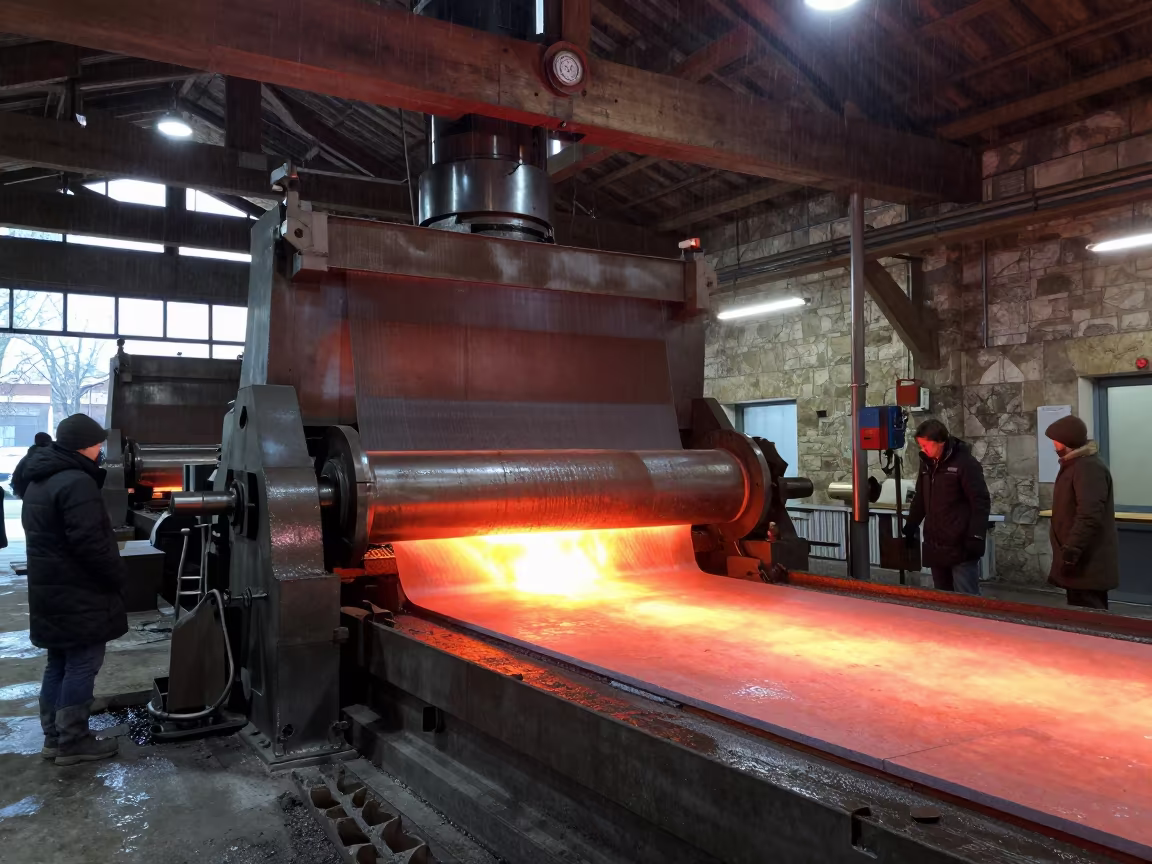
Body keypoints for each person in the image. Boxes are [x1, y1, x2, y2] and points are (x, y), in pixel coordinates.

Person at [23, 415, 125, 765]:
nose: (101, 451)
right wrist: (117, 577)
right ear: (83, 445)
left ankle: (54, 738)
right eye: (98, 444)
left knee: (59, 663)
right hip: (79, 591)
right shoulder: (76, 483)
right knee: (82, 664)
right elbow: (90, 544)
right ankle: (75, 740)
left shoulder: (40, 480)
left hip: (51, 590)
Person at [902, 419, 991, 595]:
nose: (923, 450)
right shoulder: (927, 465)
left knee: (966, 598)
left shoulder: (965, 464)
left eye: (926, 445)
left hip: (960, 545)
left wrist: (976, 536)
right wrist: (911, 525)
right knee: (942, 599)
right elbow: (921, 497)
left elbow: (980, 501)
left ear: (940, 442)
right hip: (936, 544)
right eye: (921, 445)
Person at [1044, 415, 1118, 610]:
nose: (1054, 445)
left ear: (1068, 442)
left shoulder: (1088, 468)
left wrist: (1071, 551)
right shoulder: (1075, 465)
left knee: (1091, 619)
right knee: (1080, 615)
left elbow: (1089, 513)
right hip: (1077, 561)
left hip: (1086, 561)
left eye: (1056, 441)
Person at [11, 431, 53, 499]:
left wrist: (22, 494)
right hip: (47, 497)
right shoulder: (53, 457)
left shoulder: (27, 458)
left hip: (27, 495)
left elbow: (16, 478)